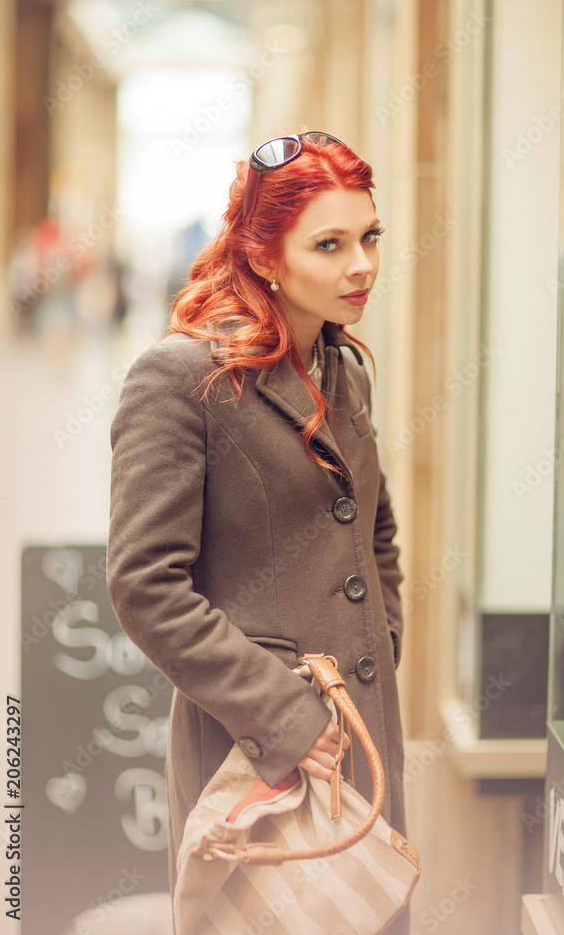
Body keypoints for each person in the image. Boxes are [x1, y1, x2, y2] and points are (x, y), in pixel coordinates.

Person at [106, 131, 408, 933]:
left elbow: (373, 530)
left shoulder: (344, 368)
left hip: (362, 738)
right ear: (265, 257)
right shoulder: (181, 378)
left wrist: (379, 644)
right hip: (259, 752)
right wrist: (286, 715)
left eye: (369, 236)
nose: (361, 266)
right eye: (330, 244)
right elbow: (145, 585)